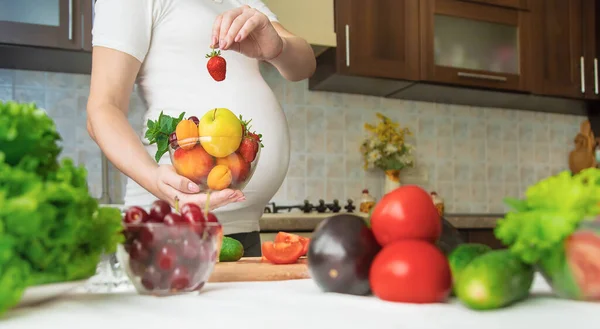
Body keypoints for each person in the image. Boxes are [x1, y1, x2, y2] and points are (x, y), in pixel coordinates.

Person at [86, 0, 316, 257]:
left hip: (244, 231)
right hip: (171, 228)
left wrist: (277, 48)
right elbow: (103, 109)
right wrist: (154, 179)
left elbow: (304, 66)